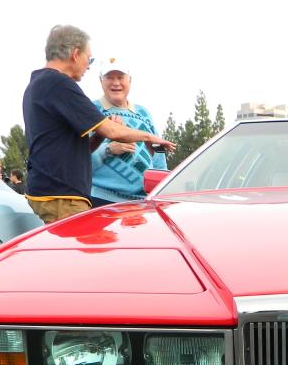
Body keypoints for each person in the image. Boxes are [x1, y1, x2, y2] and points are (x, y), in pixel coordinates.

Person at [21, 25, 175, 224]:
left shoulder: (40, 82)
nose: (88, 66)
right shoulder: (59, 84)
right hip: (63, 197)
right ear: (76, 54)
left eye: (121, 77)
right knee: (78, 253)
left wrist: (100, 136)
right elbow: (111, 130)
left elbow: (76, 147)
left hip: (53, 192)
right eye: (89, 59)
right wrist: (148, 137)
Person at [89, 57, 168, 206]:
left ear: (130, 80)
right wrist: (108, 149)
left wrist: (161, 189)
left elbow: (158, 157)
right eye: (109, 78)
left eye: (120, 77)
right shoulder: (90, 110)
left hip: (143, 203)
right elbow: (78, 161)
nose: (116, 83)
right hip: (102, 201)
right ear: (101, 81)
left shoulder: (143, 113)